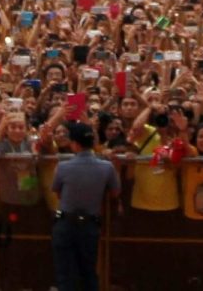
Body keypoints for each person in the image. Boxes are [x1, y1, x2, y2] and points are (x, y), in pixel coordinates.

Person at [49, 121, 118, 291]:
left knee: (65, 274)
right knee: (88, 272)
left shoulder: (63, 167)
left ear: (74, 144)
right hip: (89, 224)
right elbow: (115, 192)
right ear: (93, 142)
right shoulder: (107, 167)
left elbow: (57, 192)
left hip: (65, 223)